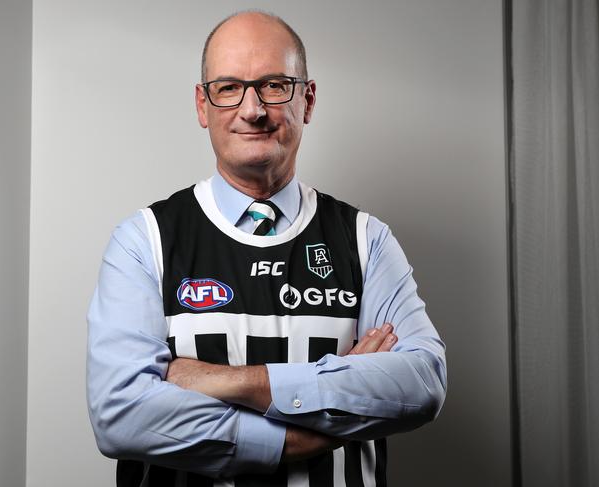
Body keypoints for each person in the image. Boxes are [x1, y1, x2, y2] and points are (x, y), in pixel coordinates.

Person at [87, 10, 447, 487]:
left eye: (275, 85)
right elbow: (120, 418)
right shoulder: (144, 240)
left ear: (308, 99)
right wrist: (308, 430)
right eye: (229, 87)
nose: (252, 109)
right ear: (202, 105)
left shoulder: (366, 240)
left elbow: (422, 384)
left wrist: (230, 381)